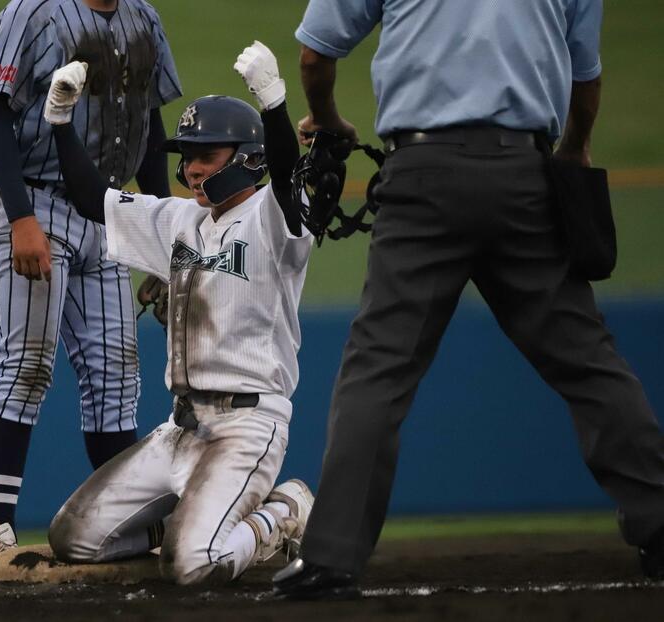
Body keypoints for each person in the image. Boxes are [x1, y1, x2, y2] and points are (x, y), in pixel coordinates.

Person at [273, 0, 664, 599]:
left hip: (423, 175)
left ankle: (331, 557)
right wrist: (573, 152)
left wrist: (327, 120)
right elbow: (585, 79)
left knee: (378, 369)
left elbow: (314, 54)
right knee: (589, 362)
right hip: (525, 175)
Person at [41, 42, 316, 585]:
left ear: (247, 158)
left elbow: (286, 175)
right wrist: (59, 120)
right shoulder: (180, 220)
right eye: (186, 155)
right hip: (180, 427)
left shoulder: (274, 216)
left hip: (246, 425)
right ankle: (191, 519)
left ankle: (282, 516)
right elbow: (92, 197)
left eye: (205, 155)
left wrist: (274, 103)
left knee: (193, 567)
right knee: (73, 538)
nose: (190, 168)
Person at [0, 0, 182, 565]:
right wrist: (20, 219)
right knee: (25, 365)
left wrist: (159, 239)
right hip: (32, 198)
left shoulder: (143, 17)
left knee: (116, 381)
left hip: (105, 210)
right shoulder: (30, 11)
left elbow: (151, 126)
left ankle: (129, 533)